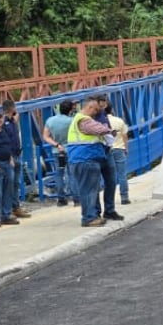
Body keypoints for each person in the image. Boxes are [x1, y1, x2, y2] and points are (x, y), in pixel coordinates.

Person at [66, 95, 113, 228]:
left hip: (82, 159)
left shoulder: (77, 119)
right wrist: (110, 130)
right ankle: (89, 217)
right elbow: (98, 129)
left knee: (89, 189)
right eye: (96, 110)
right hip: (85, 158)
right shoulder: (84, 119)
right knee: (89, 190)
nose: (96, 113)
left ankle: (92, 215)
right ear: (90, 107)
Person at [0, 99, 32, 219]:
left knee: (16, 183)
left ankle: (15, 207)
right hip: (10, 157)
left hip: (17, 154)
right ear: (12, 108)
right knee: (10, 183)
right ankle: (8, 209)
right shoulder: (4, 122)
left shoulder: (12, 121)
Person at [43, 99, 76, 206]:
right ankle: (76, 197)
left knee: (59, 174)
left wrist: (57, 145)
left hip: (57, 150)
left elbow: (46, 136)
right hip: (71, 149)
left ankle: (61, 198)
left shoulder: (50, 120)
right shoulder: (72, 121)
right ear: (70, 110)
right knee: (72, 173)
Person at [106, 101, 131, 206]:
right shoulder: (119, 120)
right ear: (111, 109)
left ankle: (109, 200)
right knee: (122, 174)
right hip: (119, 149)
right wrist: (126, 148)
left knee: (108, 177)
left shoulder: (99, 122)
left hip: (107, 150)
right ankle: (124, 197)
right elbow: (125, 135)